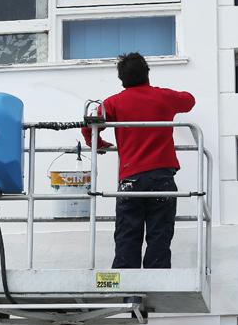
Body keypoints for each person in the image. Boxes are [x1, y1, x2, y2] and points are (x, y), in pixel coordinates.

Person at [82, 52, 196, 269]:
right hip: (162, 179)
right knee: (159, 236)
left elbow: (89, 124)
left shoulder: (114, 103)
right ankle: (156, 286)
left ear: (122, 79)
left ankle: (128, 292)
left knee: (127, 236)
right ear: (147, 73)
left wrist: (98, 144)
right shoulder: (163, 97)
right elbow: (189, 100)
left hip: (130, 181)